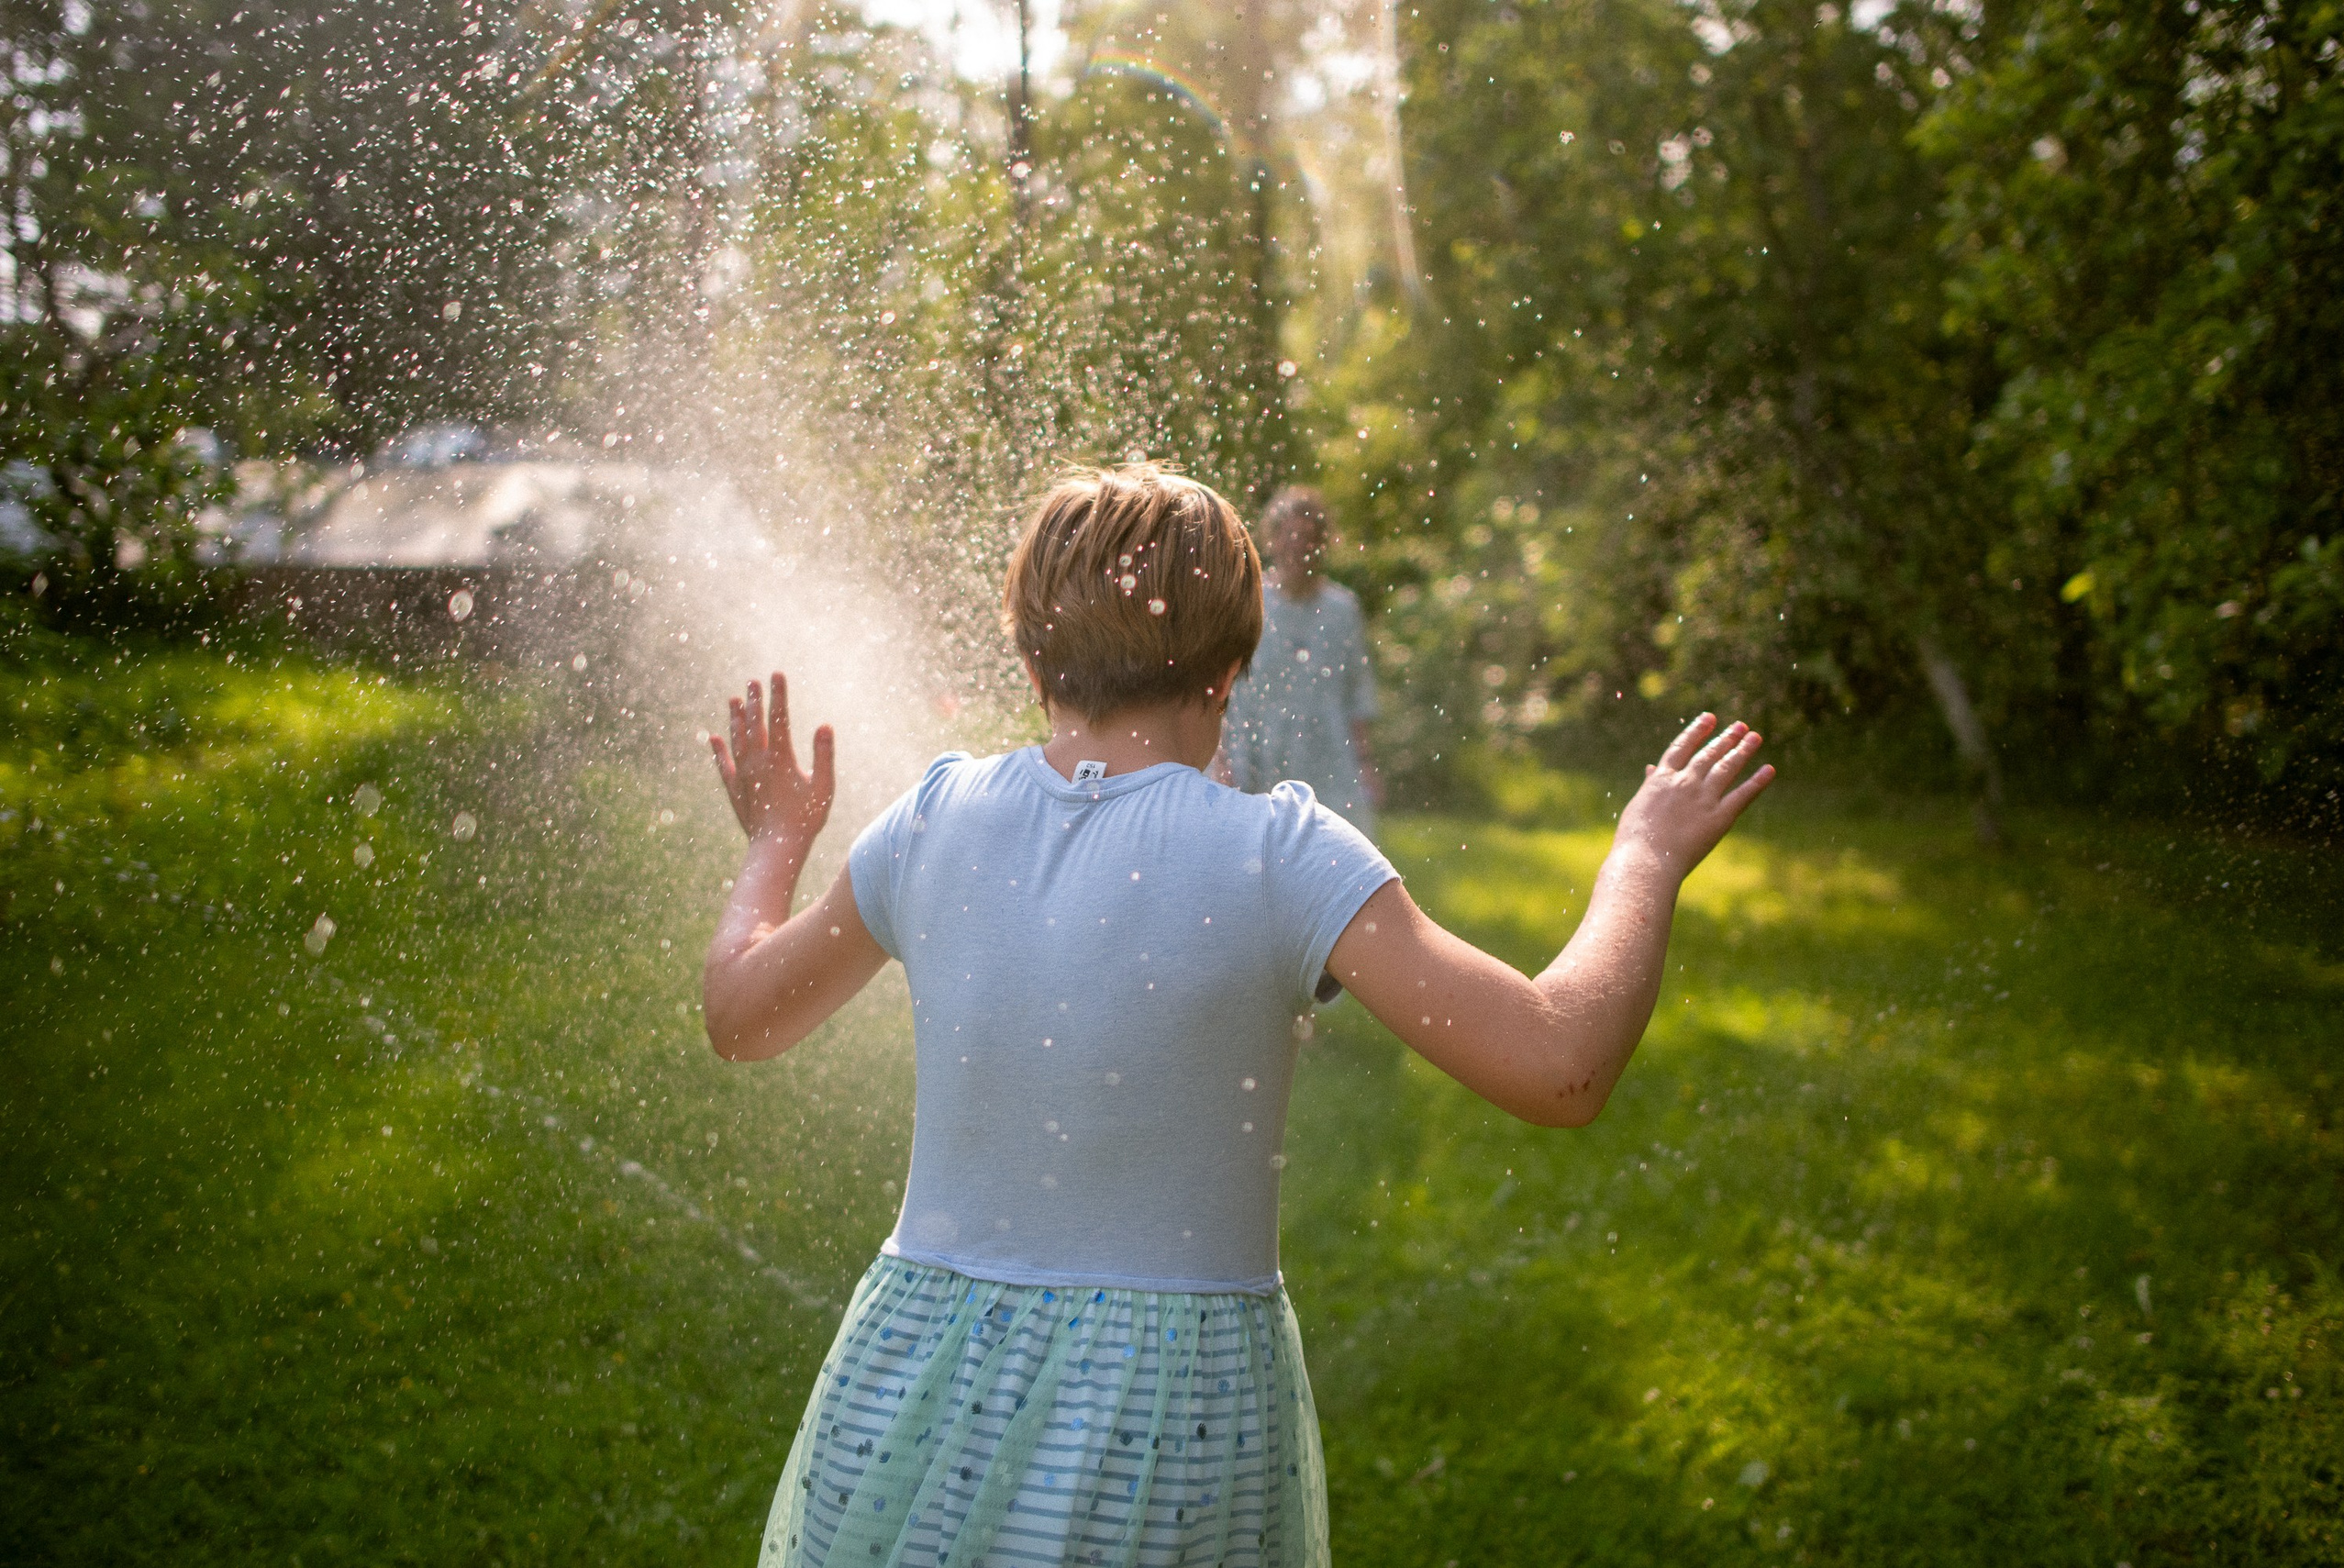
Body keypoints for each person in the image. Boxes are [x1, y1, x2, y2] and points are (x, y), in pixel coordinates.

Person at [702, 462, 1772, 1568]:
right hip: (1157, 1437)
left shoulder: (932, 820)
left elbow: (739, 1013)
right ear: (1231, 670)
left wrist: (779, 837)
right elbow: (1561, 1062)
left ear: (1030, 659)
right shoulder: (1278, 854)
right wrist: (1645, 854)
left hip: (906, 1404)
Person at [1218, 487, 1383, 836]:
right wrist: (1222, 759)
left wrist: (1367, 766)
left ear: (1324, 543)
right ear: (1272, 539)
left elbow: (1357, 694)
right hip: (1258, 754)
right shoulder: (1250, 603)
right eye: (1290, 536)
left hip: (1328, 756)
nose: (1299, 546)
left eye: (1309, 538)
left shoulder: (1342, 610)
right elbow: (1223, 688)